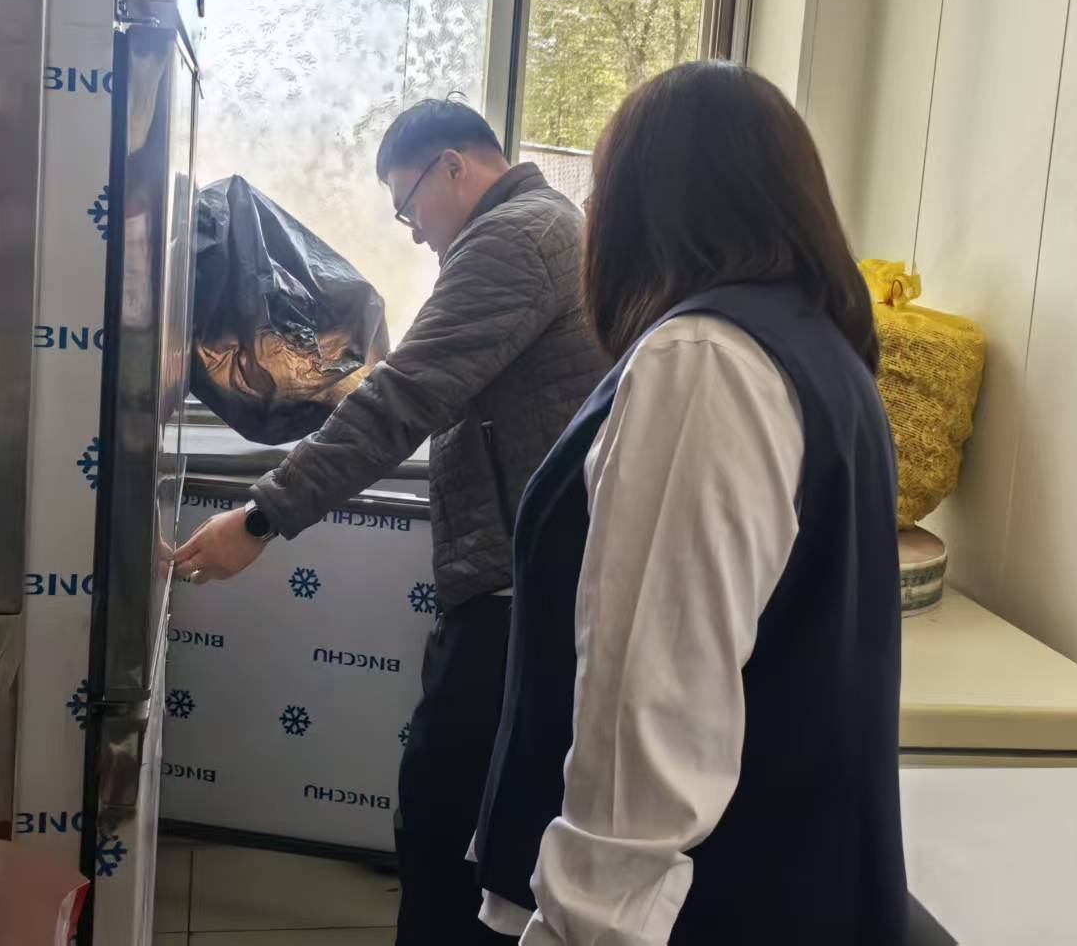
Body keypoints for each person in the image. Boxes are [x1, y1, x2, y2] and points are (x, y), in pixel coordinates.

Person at [473, 61, 907, 944]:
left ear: (648, 207)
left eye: (602, 192)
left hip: (705, 909)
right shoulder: (816, 347)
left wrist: (579, 926)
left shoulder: (703, 361)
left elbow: (652, 711)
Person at [170, 97, 609, 945]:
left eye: (408, 206)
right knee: (467, 824)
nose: (412, 232)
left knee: (443, 825)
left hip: (517, 595)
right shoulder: (541, 231)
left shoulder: (516, 239)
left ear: (454, 166)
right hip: (527, 582)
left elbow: (404, 396)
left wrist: (260, 517)